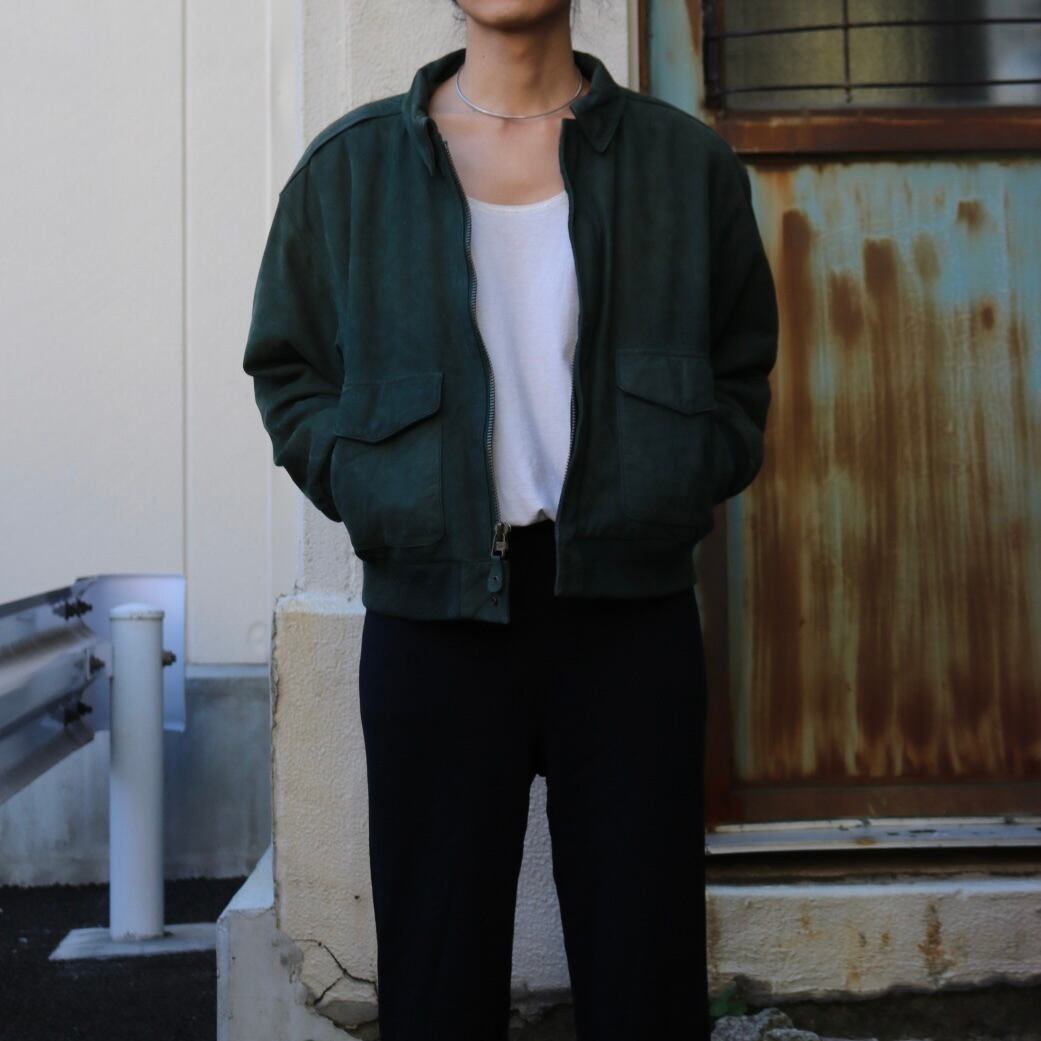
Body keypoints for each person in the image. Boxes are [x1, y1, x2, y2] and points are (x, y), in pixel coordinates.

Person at [242, 2, 779, 1038]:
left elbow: (739, 368)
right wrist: (372, 488)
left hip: (629, 611)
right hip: (435, 618)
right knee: (437, 978)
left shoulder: (684, 166)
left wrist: (677, 479)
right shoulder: (353, 170)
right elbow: (289, 369)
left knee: (645, 975)